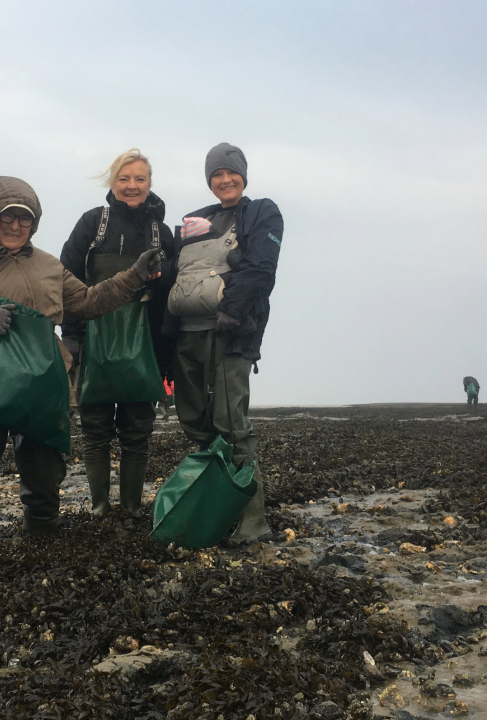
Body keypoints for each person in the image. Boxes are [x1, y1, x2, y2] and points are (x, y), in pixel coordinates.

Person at [0, 176, 160, 596]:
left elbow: (87, 302)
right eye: (7, 217)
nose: (16, 226)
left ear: (34, 223)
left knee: (45, 483)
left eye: (25, 219)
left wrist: (133, 276)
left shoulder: (49, 265)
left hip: (42, 394)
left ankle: (40, 562)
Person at [166, 143, 283, 543]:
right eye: (216, 174)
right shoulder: (197, 220)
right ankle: (217, 508)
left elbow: (261, 269)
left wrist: (231, 311)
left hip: (232, 334)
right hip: (188, 335)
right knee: (194, 421)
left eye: (231, 173)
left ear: (243, 176)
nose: (224, 180)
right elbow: (177, 274)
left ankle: (254, 521)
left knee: (232, 423)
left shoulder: (261, 212)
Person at [59, 149, 177, 516]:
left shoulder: (163, 233)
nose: (132, 185)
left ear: (150, 184)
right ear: (112, 184)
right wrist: (73, 338)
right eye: (124, 179)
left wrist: (163, 275)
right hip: (94, 337)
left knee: (137, 430)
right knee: (94, 429)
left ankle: (130, 508)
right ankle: (98, 507)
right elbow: (65, 277)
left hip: (143, 342)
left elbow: (171, 291)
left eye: (139, 179)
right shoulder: (92, 223)